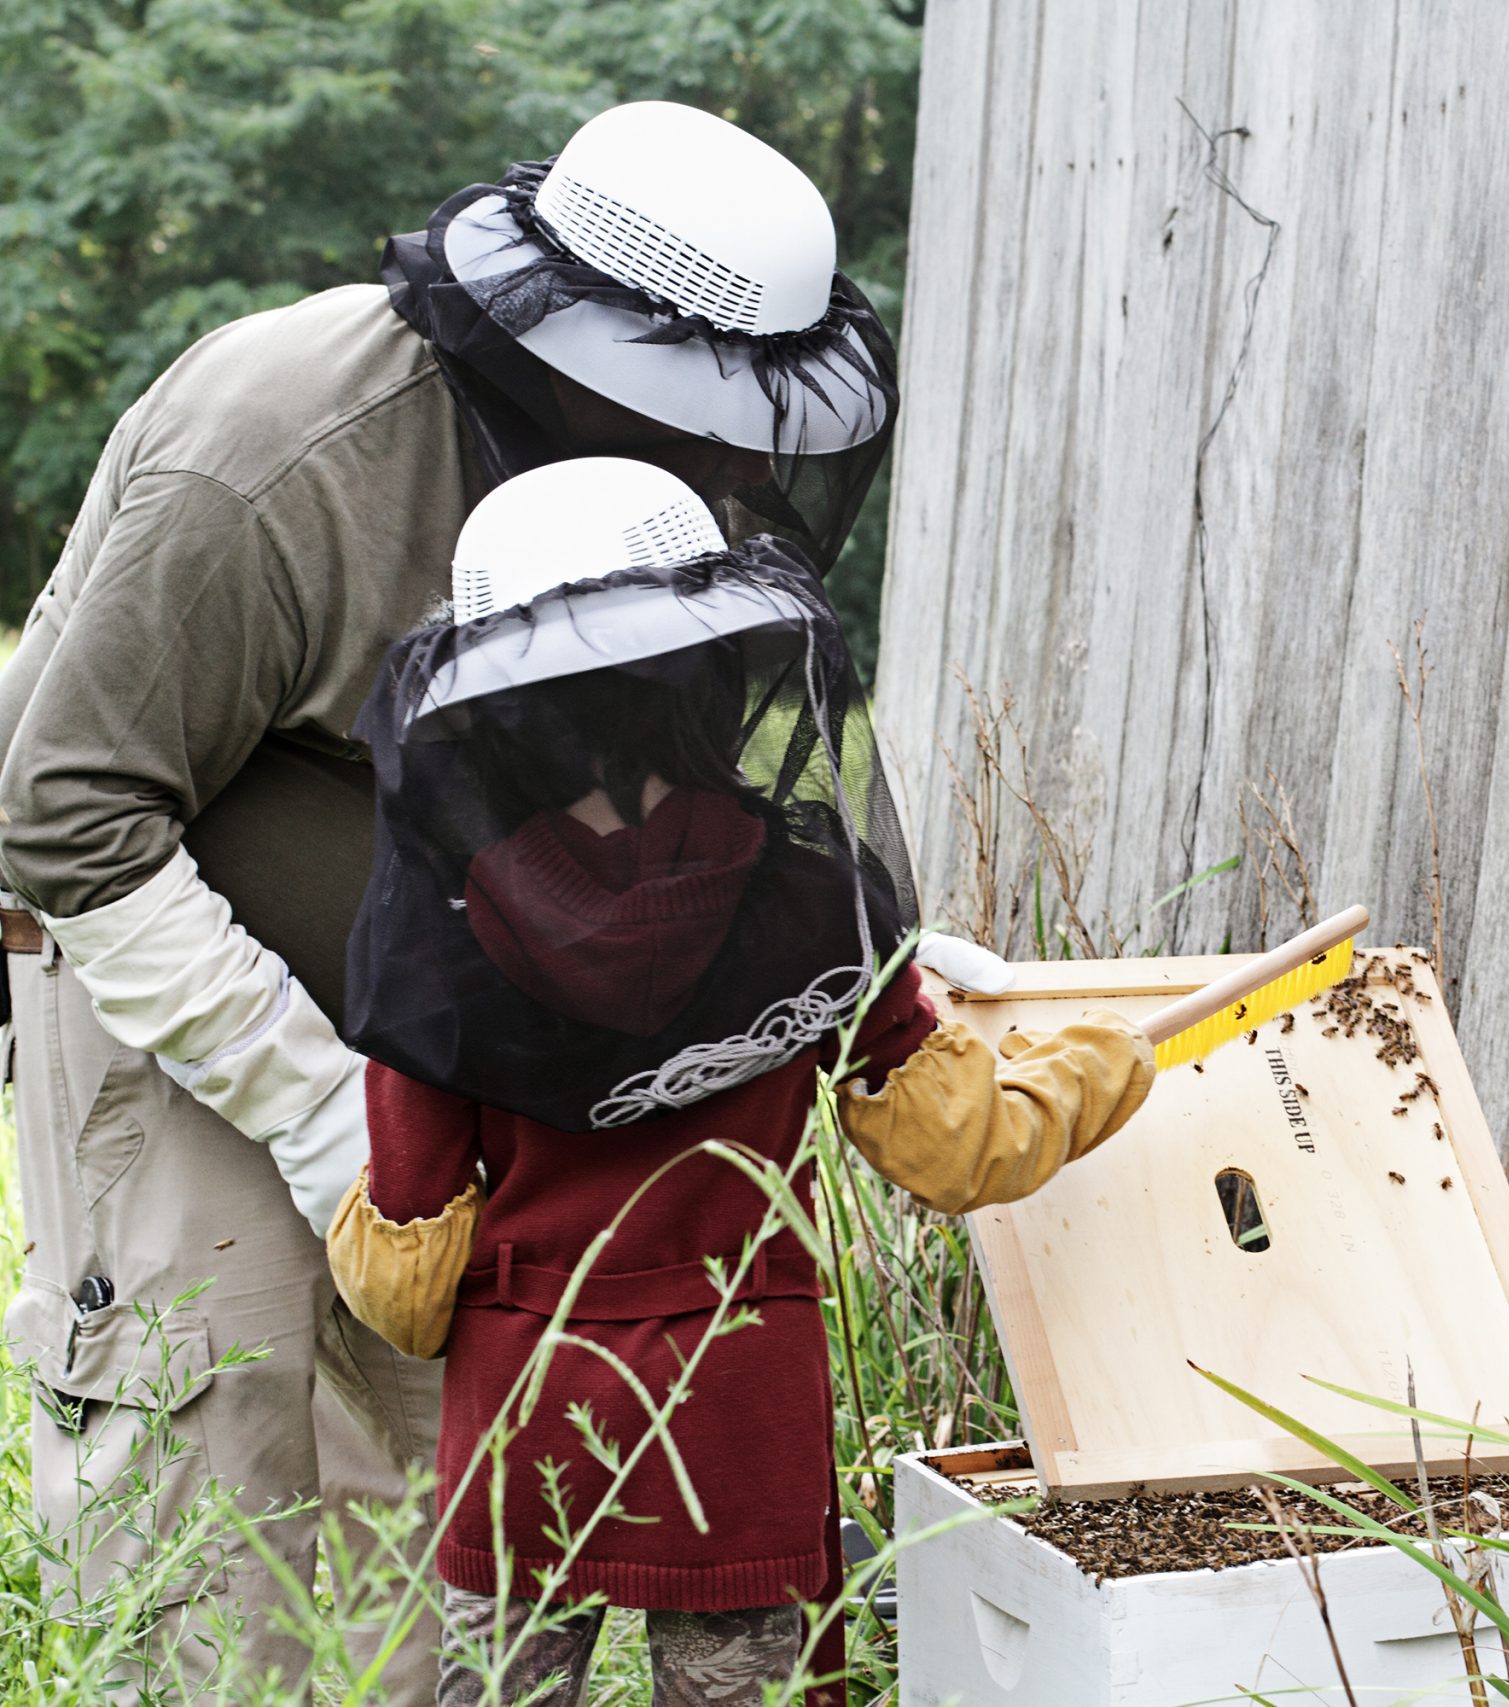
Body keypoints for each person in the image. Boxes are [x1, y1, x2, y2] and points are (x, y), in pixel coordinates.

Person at [0, 100, 1007, 1696]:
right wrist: (327, 1111)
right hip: (170, 963)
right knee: (216, 1464)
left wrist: (869, 952)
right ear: (556, 354)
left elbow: (777, 772)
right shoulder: (282, 442)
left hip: (492, 1035)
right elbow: (60, 812)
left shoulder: (695, 489)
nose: (737, 469)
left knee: (440, 1509)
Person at [323, 459, 1152, 1707]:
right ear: (717, 660)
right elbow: (959, 1150)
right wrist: (1104, 1052)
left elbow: (406, 1282)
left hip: (526, 1409)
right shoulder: (808, 890)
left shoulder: (441, 932)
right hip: (735, 1407)